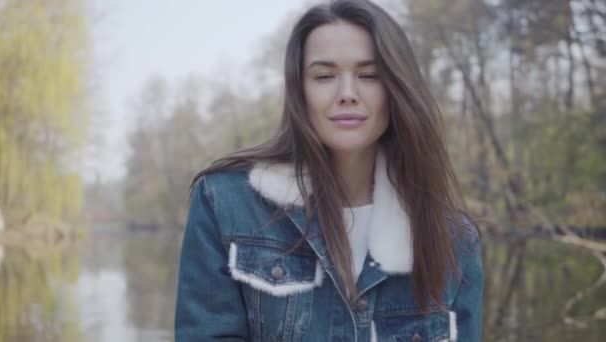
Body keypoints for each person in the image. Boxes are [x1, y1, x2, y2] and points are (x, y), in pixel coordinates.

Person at [175, 0, 483, 341]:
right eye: (324, 76)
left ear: (396, 88)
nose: (347, 94)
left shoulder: (454, 240)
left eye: (368, 75)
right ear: (299, 90)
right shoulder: (224, 202)